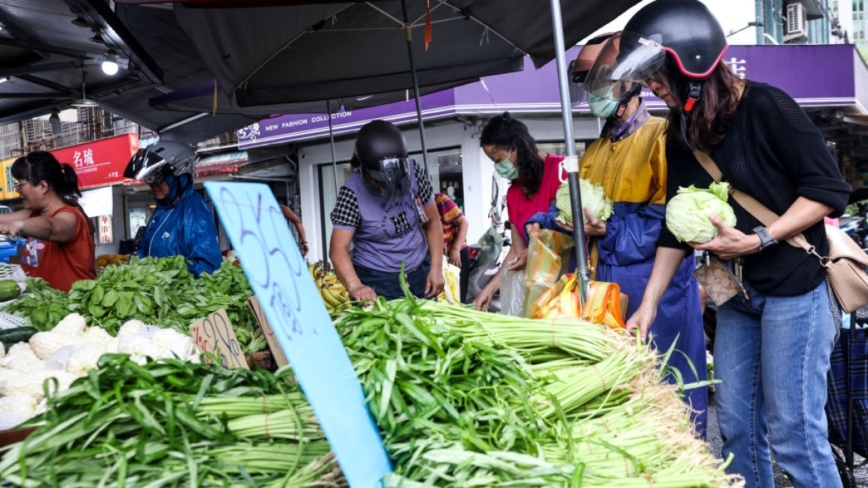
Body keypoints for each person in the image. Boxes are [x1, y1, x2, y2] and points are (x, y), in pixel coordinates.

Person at [600, 1, 850, 486]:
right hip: (736, 297)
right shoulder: (681, 129)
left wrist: (759, 239)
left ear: (693, 61)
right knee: (735, 429)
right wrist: (648, 305)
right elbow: (675, 226)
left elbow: (828, 191)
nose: (650, 84)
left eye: (657, 72)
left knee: (795, 434)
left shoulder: (767, 106)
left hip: (795, 291)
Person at [527, 33, 707, 437]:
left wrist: (609, 227)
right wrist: (543, 220)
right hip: (603, 293)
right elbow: (574, 214)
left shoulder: (664, 136)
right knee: (625, 403)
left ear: (630, 82)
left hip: (657, 292)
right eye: (587, 84)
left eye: (601, 81)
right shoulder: (591, 153)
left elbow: (674, 225)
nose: (593, 94)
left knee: (670, 392)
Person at [329, 120, 444, 301]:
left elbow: (433, 221)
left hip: (420, 269)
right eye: (381, 179)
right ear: (364, 169)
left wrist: (436, 268)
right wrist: (356, 285)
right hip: (377, 278)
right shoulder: (351, 193)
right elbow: (338, 248)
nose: (388, 183)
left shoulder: (414, 173)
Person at [473, 112, 565, 311]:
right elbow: (516, 250)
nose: (498, 167)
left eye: (498, 160)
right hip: (538, 286)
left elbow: (569, 233)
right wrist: (488, 290)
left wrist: (532, 255)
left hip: (565, 284)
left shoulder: (559, 171)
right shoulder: (513, 192)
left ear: (517, 146)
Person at [123, 140, 222, 277]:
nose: (153, 186)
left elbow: (208, 265)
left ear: (180, 177)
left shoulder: (193, 209)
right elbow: (149, 250)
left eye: (158, 180)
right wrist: (136, 259)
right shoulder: (162, 208)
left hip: (180, 295)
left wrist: (166, 275)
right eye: (149, 181)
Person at [0, 152, 95, 291]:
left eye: (21, 184)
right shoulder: (34, 212)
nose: (18, 191)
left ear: (43, 186)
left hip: (69, 308)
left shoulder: (70, 216)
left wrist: (18, 225)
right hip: (41, 305)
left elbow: (52, 228)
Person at [435, 192, 471, 301]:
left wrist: (455, 249)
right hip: (438, 259)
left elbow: (464, 222)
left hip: (455, 256)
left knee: (457, 297)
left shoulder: (440, 200)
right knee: (443, 298)